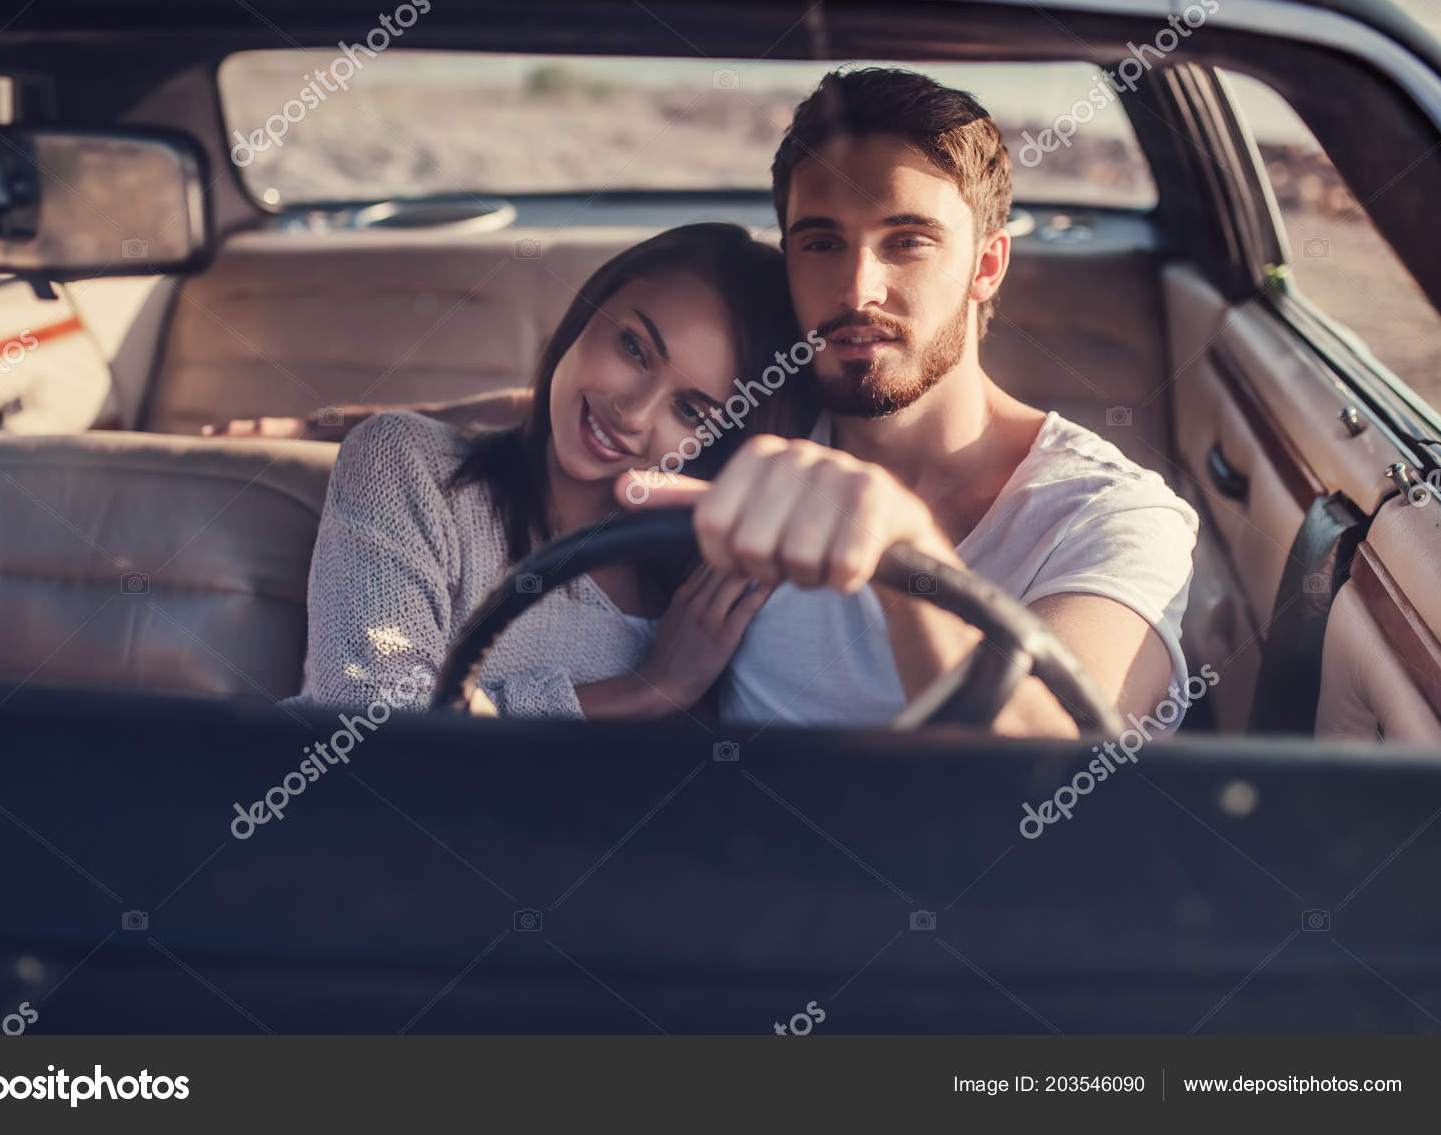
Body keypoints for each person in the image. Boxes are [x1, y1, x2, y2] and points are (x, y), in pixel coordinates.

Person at [229, 68, 1198, 736]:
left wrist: (905, 550)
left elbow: (1052, 773)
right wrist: (319, 424)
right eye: (820, 241)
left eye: (907, 241)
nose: (856, 287)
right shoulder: (746, 441)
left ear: (987, 263)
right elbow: (585, 407)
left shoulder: (1114, 517)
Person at [296, 223, 814, 717]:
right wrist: (646, 692)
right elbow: (372, 722)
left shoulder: (708, 602)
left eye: (691, 411)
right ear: (587, 310)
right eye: (632, 348)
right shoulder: (407, 462)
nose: (631, 413)